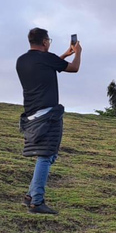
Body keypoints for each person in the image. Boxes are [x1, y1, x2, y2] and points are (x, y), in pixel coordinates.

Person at [16, 28, 82, 214]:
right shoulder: (46, 58)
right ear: (45, 42)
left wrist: (64, 54)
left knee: (48, 154)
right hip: (47, 115)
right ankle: (37, 201)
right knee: (46, 156)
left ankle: (30, 196)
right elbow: (74, 68)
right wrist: (77, 53)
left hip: (30, 115)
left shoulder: (22, 60)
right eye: (49, 40)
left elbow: (47, 66)